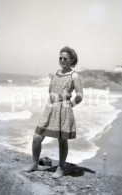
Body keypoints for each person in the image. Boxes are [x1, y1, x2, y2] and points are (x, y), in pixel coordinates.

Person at [25, 46, 83, 179]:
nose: (62, 60)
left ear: (71, 60)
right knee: (37, 137)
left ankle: (61, 169)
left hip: (64, 109)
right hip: (50, 108)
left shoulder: (74, 75)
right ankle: (34, 163)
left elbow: (80, 95)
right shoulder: (56, 72)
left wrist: (69, 106)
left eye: (65, 58)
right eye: (60, 58)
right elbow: (51, 90)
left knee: (62, 141)